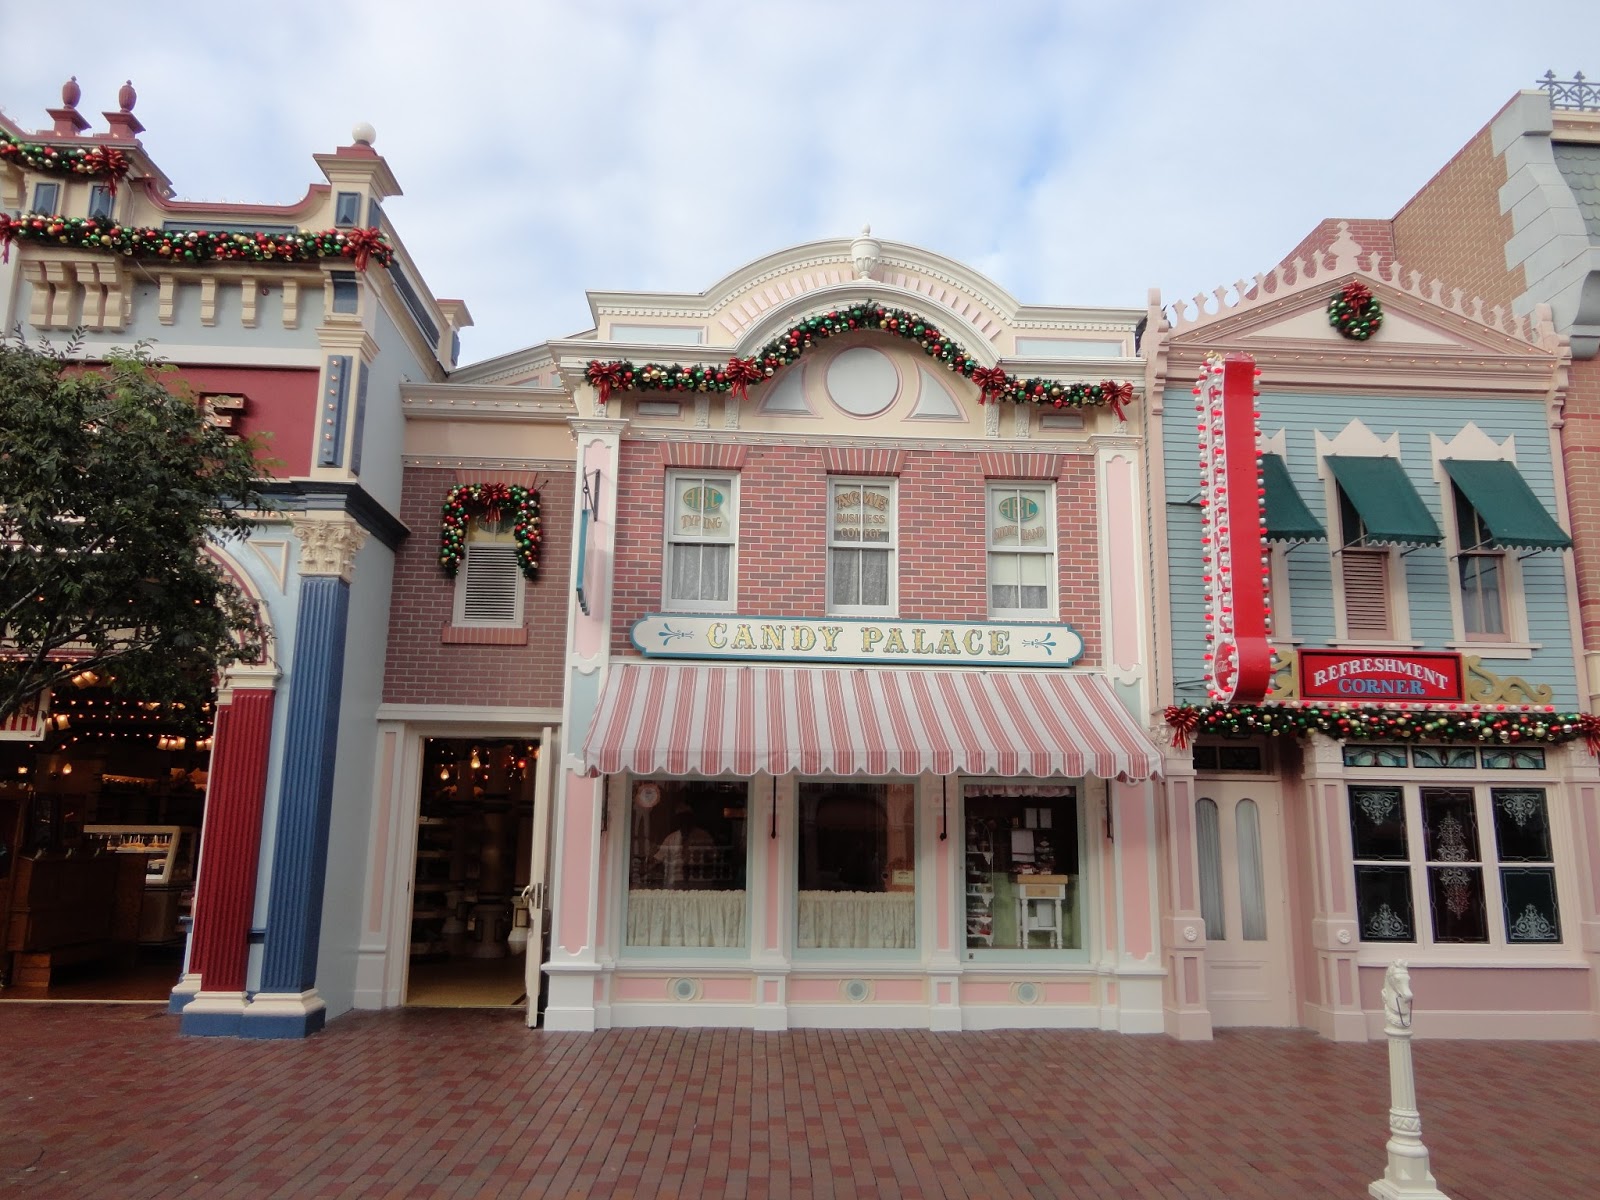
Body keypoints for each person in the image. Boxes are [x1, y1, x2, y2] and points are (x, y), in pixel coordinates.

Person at [654, 804, 715, 888]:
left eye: (686, 817)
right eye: (680, 818)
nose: (683, 821)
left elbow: (713, 858)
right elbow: (658, 858)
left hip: (697, 882)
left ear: (691, 818)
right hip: (675, 882)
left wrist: (696, 866)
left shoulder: (703, 836)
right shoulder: (671, 838)